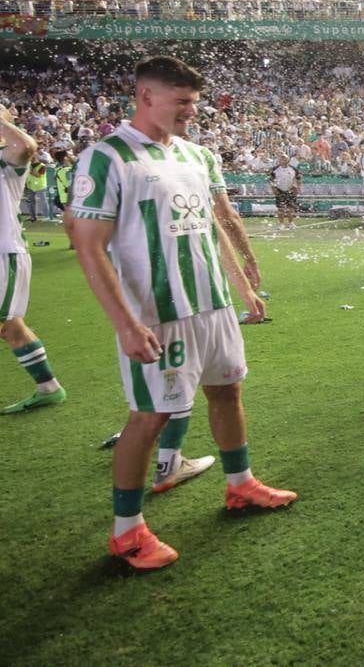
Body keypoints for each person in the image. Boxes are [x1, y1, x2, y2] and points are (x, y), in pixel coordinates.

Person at [68, 56, 295, 571]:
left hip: (211, 306)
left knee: (227, 390)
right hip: (156, 313)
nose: (192, 112)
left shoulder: (198, 155)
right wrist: (126, 322)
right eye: (182, 102)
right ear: (146, 96)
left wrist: (241, 288)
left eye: (194, 102)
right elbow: (88, 246)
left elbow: (212, 228)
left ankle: (240, 486)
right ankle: (127, 532)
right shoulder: (106, 158)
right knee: (151, 415)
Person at [0, 106, 67, 415]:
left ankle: (49, 387)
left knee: (9, 325)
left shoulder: (8, 160)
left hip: (4, 253)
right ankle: (48, 387)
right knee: (10, 326)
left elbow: (27, 146)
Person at [269, 157, 301, 229]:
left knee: (291, 208)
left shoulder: (293, 169)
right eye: (280, 159)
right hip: (279, 190)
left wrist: (297, 188)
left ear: (288, 160)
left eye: (284, 159)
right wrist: (274, 189)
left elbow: (298, 178)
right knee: (281, 208)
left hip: (290, 190)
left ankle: (291, 223)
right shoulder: (275, 169)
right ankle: (281, 224)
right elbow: (271, 180)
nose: (282, 161)